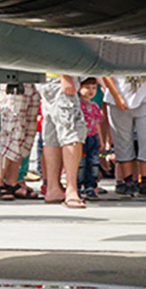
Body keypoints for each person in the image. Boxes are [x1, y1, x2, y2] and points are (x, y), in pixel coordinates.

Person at [37, 73, 88, 208]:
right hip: (61, 77)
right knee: (72, 132)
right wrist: (65, 76)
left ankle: (53, 188)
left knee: (51, 134)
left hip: (47, 77)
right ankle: (71, 190)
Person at [102, 75, 146, 197]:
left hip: (145, 99)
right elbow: (107, 73)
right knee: (123, 140)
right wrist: (116, 95)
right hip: (117, 99)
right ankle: (128, 181)